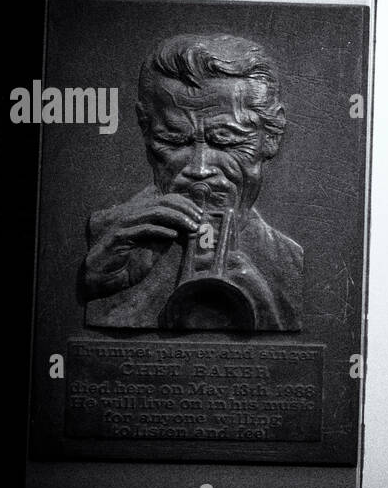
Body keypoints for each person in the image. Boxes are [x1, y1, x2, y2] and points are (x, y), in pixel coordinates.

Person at [81, 32, 303, 331]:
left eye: (225, 141)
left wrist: (270, 311)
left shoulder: (289, 262)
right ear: (146, 129)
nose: (199, 169)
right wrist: (102, 290)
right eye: (172, 141)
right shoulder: (107, 242)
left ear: (272, 137)